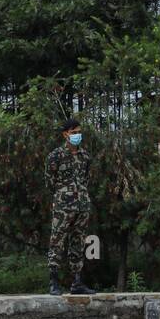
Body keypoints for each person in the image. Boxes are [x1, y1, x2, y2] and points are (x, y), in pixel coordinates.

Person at [45, 117, 95, 296]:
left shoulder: (85, 156)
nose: (77, 135)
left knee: (78, 242)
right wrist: (62, 196)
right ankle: (54, 282)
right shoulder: (55, 156)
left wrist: (81, 196)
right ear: (65, 134)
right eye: (74, 133)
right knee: (57, 241)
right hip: (63, 207)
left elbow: (87, 179)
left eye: (79, 132)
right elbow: (49, 182)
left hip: (82, 206)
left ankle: (77, 282)